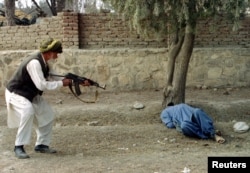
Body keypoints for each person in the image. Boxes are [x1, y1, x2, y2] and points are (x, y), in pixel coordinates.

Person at [5, 38, 90, 159]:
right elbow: (42, 84)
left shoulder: (45, 62)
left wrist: (77, 81)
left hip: (30, 94)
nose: (57, 55)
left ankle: (41, 145)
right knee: (28, 111)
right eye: (56, 52)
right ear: (49, 51)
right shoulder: (35, 63)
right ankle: (18, 146)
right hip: (16, 93)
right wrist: (63, 84)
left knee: (48, 114)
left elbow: (55, 77)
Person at [160, 103, 225, 144]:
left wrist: (175, 121)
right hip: (197, 122)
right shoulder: (183, 105)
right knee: (197, 111)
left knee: (184, 125)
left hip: (189, 126)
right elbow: (197, 113)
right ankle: (212, 133)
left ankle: (211, 134)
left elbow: (170, 125)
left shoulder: (164, 112)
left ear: (167, 106)